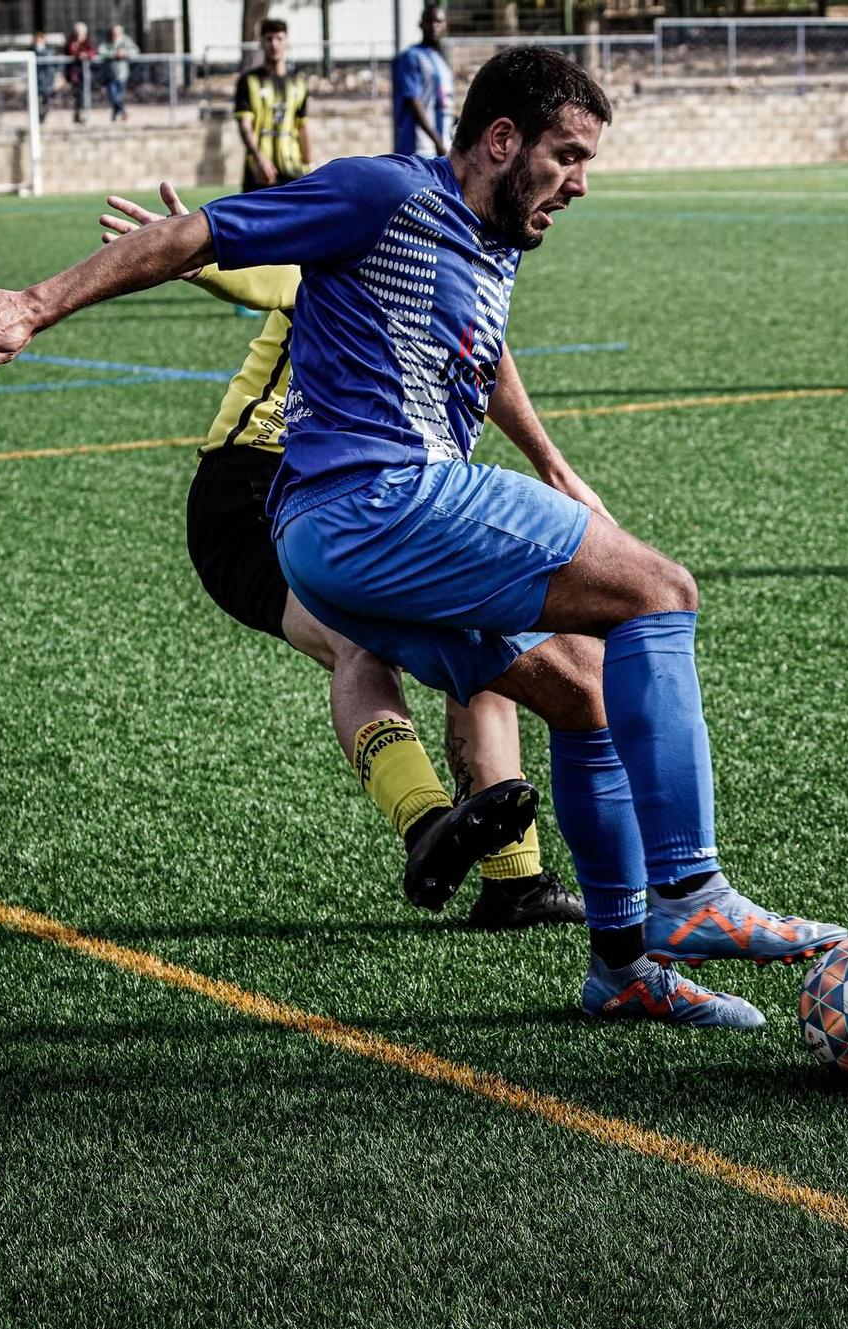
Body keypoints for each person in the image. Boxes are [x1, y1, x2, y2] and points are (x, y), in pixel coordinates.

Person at [0, 48, 847, 1028]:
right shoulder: (383, 193)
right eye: (566, 155)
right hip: (374, 502)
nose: (579, 183)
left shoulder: (491, 240)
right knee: (661, 591)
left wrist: (549, 464)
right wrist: (33, 305)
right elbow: (198, 235)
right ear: (499, 140)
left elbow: (483, 353)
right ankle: (691, 893)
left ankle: (621, 968)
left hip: (355, 541)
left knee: (583, 692)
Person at [96, 182, 589, 931]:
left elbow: (487, 362)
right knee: (357, 641)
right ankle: (427, 824)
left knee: (486, 633)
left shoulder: (452, 275)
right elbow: (264, 268)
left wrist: (552, 464)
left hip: (378, 494)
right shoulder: (358, 251)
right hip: (256, 491)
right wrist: (186, 251)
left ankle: (515, 879)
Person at [234, 18, 311, 192]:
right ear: (261, 42)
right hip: (259, 171)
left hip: (292, 168)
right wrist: (259, 157)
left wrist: (309, 163)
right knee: (253, 218)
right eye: (269, 39)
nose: (274, 44)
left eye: (279, 39)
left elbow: (302, 126)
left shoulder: (298, 82)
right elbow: (245, 126)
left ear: (287, 42)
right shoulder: (248, 81)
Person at [392, 5, 452, 156]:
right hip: (418, 148)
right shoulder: (411, 57)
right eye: (429, 21)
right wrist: (437, 141)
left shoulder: (441, 61)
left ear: (445, 25)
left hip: (442, 147)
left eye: (438, 22)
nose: (433, 26)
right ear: (421, 24)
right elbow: (414, 102)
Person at [100, 24, 138, 122]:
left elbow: (135, 51)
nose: (115, 34)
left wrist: (125, 53)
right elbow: (101, 51)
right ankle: (123, 112)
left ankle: (115, 116)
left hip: (122, 73)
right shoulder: (108, 41)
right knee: (113, 95)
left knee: (118, 96)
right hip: (110, 73)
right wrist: (113, 54)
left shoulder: (126, 41)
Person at [64, 23, 96, 124]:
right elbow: (70, 51)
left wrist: (86, 54)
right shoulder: (71, 42)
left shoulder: (87, 42)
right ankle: (79, 114)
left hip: (85, 74)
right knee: (78, 95)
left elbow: (91, 52)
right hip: (74, 75)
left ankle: (82, 115)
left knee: (84, 95)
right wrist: (79, 54)